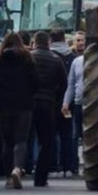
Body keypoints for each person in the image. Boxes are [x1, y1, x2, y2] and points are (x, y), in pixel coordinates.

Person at [0, 32, 39, 190]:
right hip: (24, 105)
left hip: (2, 106)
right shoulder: (27, 58)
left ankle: (9, 177)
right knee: (21, 140)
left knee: (7, 141)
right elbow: (36, 83)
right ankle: (17, 168)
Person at [30, 31, 66, 187]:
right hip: (47, 104)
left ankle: (17, 170)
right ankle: (40, 178)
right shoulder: (56, 60)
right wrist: (57, 103)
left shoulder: (29, 58)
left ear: (34, 42)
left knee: (22, 139)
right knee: (47, 141)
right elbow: (64, 85)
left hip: (28, 104)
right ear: (49, 42)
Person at [48, 28, 77, 176]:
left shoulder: (49, 56)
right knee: (67, 135)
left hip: (51, 101)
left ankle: (53, 166)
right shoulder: (72, 57)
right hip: (68, 102)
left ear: (50, 40)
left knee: (51, 134)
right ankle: (69, 166)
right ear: (64, 40)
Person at [60, 31, 86, 177]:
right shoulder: (75, 61)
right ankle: (73, 165)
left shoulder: (94, 60)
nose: (81, 43)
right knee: (74, 136)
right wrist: (65, 103)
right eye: (78, 40)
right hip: (77, 103)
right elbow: (71, 84)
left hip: (90, 103)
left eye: (83, 40)